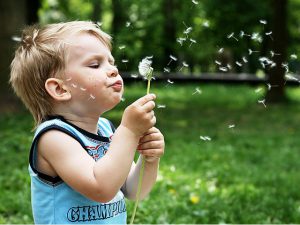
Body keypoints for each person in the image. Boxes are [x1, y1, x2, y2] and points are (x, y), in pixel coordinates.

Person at [10, 21, 164, 224]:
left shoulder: (106, 129)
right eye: (95, 64)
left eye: (112, 62)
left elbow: (133, 190)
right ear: (60, 89)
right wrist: (128, 131)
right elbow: (101, 189)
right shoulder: (53, 137)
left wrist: (149, 160)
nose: (113, 70)